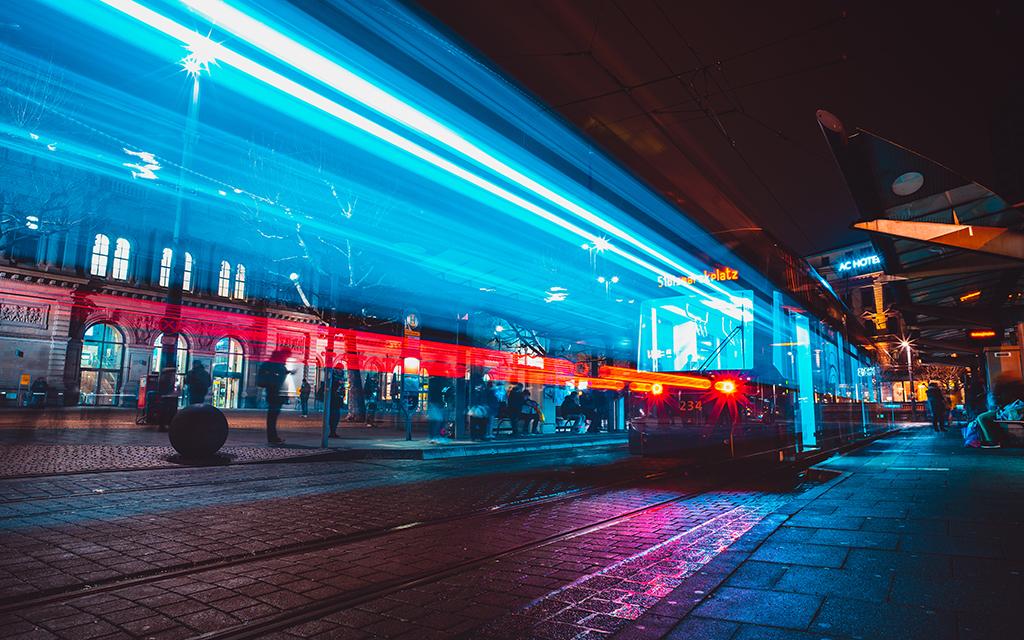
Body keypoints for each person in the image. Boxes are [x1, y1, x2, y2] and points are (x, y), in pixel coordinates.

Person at [975, 373, 1024, 448]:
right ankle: (992, 440)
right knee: (983, 418)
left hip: (1011, 408)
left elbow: (1002, 399)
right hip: (1008, 408)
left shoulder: (1005, 388)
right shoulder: (1009, 388)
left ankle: (993, 441)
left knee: (983, 418)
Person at [257, 348, 291, 445]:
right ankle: (272, 437)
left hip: (273, 393)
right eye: (287, 356)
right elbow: (277, 377)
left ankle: (273, 437)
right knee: (272, 416)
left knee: (272, 416)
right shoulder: (276, 364)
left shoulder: (272, 364)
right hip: (275, 393)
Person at [156, 366, 179, 433]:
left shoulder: (167, 379)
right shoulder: (165, 380)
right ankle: (163, 426)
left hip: (167, 398)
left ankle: (165, 425)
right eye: (173, 373)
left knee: (167, 412)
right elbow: (164, 390)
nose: (174, 375)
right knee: (165, 412)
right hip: (165, 398)